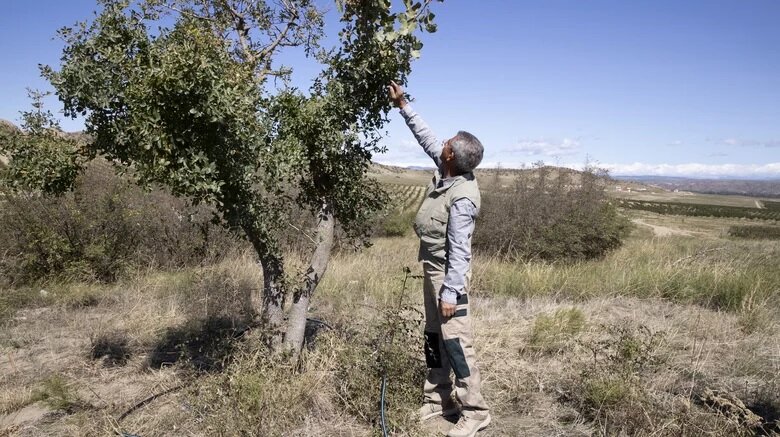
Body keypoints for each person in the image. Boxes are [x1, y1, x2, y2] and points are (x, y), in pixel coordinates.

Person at [388, 81, 490, 437]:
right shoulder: (448, 169)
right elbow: (425, 136)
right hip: (432, 270)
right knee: (433, 336)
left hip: (449, 276)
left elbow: (460, 249)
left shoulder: (462, 196)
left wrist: (451, 292)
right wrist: (404, 105)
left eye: (447, 143)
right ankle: (438, 398)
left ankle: (475, 411)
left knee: (456, 342)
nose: (442, 142)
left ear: (451, 155)